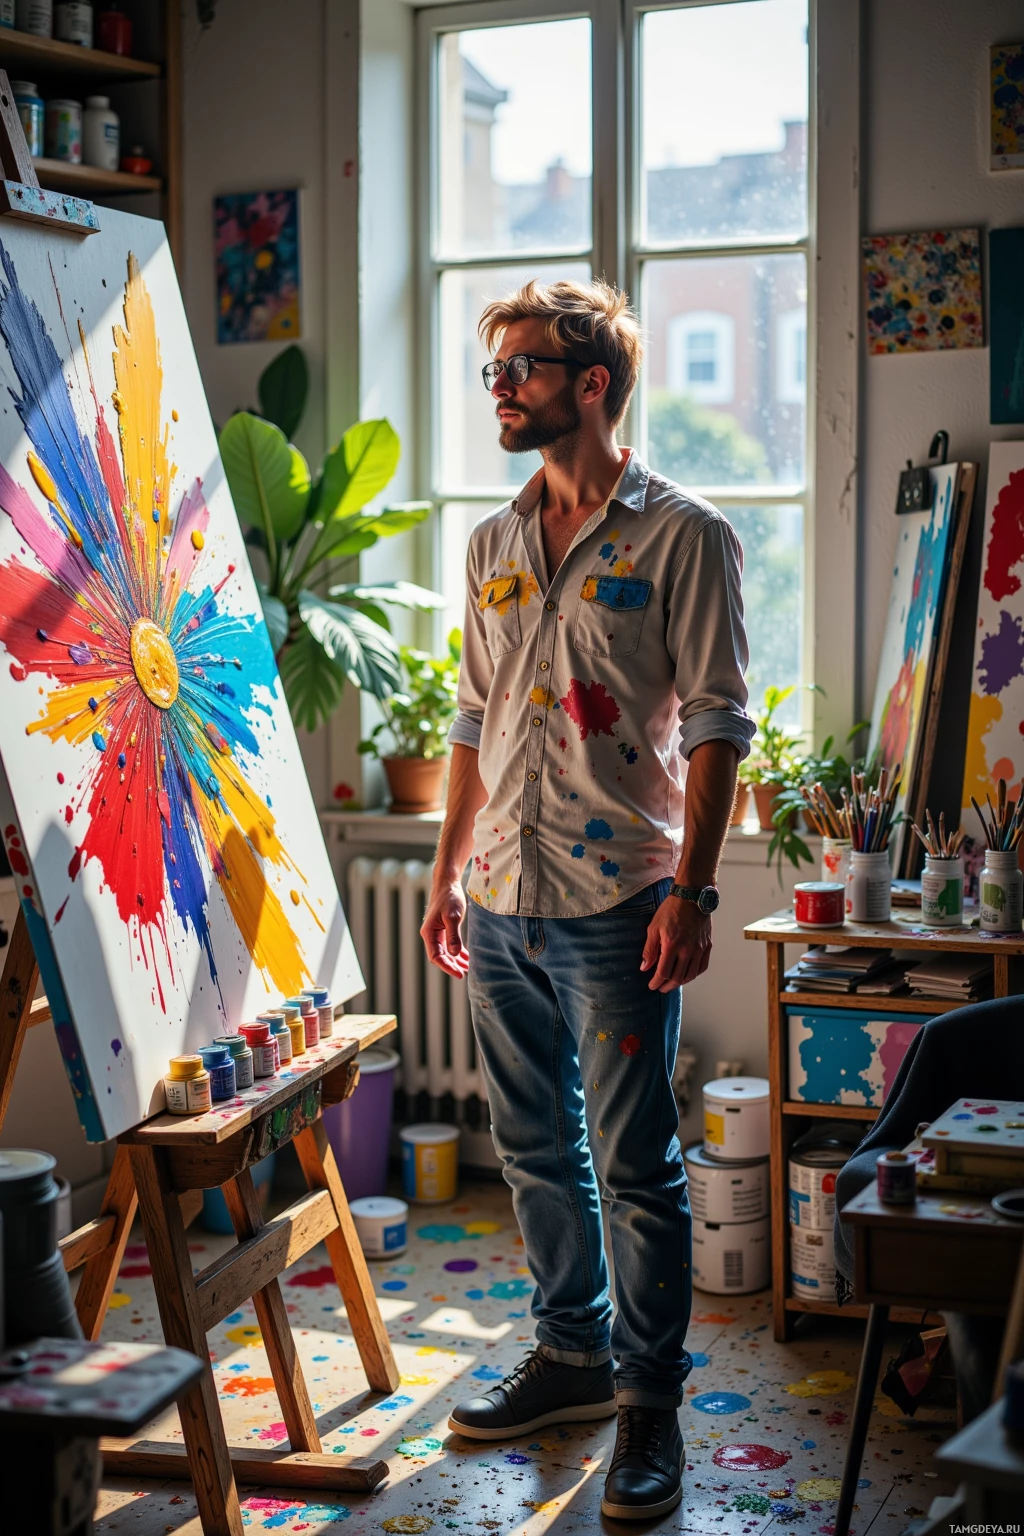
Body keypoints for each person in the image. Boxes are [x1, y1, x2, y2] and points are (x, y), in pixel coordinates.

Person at [419, 277, 754, 1522]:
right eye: (492, 373)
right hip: (500, 897)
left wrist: (698, 891)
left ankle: (648, 1405)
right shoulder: (491, 543)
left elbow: (718, 724)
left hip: (621, 899)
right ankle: (568, 1355)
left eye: (520, 372)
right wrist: (448, 873)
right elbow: (469, 721)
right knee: (531, 1148)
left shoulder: (686, 536)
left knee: (635, 1162)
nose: (498, 392)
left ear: (592, 384)